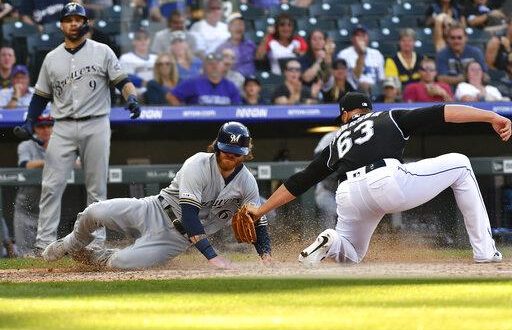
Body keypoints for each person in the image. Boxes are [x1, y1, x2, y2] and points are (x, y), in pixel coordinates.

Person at [247, 91, 510, 266]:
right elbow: (443, 112)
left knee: (350, 254)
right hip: (387, 180)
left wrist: (260, 210)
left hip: (348, 193)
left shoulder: (337, 140)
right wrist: (491, 116)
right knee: (462, 165)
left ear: (345, 115)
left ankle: (331, 239)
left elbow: (301, 180)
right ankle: (485, 252)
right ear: (368, 110)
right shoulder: (390, 116)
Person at [42, 121, 272, 269]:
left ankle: (94, 256)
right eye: (226, 150)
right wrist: (212, 256)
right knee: (95, 211)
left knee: (122, 263)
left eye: (236, 153)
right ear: (217, 146)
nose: (230, 156)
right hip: (154, 209)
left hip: (176, 239)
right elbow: (190, 215)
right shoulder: (198, 164)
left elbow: (258, 222)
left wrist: (266, 256)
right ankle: (73, 242)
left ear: (246, 153)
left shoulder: (247, 183)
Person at [13, 3, 141, 255]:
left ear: (86, 23)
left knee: (96, 188)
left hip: (96, 123)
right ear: (61, 25)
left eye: (77, 19)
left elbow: (122, 82)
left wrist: (132, 98)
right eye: (68, 19)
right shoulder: (52, 58)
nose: (73, 23)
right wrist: (30, 121)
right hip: (63, 126)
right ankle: (43, 244)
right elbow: (40, 96)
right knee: (51, 185)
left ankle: (95, 243)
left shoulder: (102, 51)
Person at [14, 114, 54, 257]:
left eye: (49, 125)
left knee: (49, 254)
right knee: (26, 255)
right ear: (34, 129)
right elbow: (26, 165)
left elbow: (78, 164)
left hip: (50, 210)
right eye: (41, 126)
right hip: (26, 209)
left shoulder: (62, 145)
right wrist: (54, 159)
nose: (45, 130)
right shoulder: (26, 145)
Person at [168, 52, 241, 106]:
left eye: (217, 64)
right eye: (211, 64)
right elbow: (171, 96)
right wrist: (182, 112)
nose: (214, 67)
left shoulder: (230, 86)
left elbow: (237, 109)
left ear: (223, 66)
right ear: (204, 66)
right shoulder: (192, 83)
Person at [336, 24, 385, 95]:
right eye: (358, 36)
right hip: (352, 90)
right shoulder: (344, 54)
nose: (361, 38)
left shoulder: (377, 54)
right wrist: (361, 54)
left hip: (375, 89)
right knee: (363, 87)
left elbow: (381, 78)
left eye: (363, 35)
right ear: (352, 39)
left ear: (367, 38)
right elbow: (354, 78)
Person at [436, 23, 487, 88]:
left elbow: (485, 76)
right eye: (452, 38)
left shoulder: (476, 53)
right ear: (448, 39)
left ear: (466, 38)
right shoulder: (441, 55)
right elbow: (441, 79)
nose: (456, 41)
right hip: (450, 94)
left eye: (459, 38)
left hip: (474, 90)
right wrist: (468, 77)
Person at [215, 12, 257, 77]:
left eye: (241, 24)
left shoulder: (250, 45)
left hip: (250, 81)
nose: (239, 27)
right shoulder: (222, 48)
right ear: (229, 28)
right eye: (235, 24)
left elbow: (259, 57)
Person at [119, 28, 157, 97]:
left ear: (149, 41)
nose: (143, 42)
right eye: (139, 39)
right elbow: (125, 78)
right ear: (133, 42)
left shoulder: (156, 58)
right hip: (136, 94)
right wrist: (146, 84)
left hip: (155, 92)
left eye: (145, 39)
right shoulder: (126, 58)